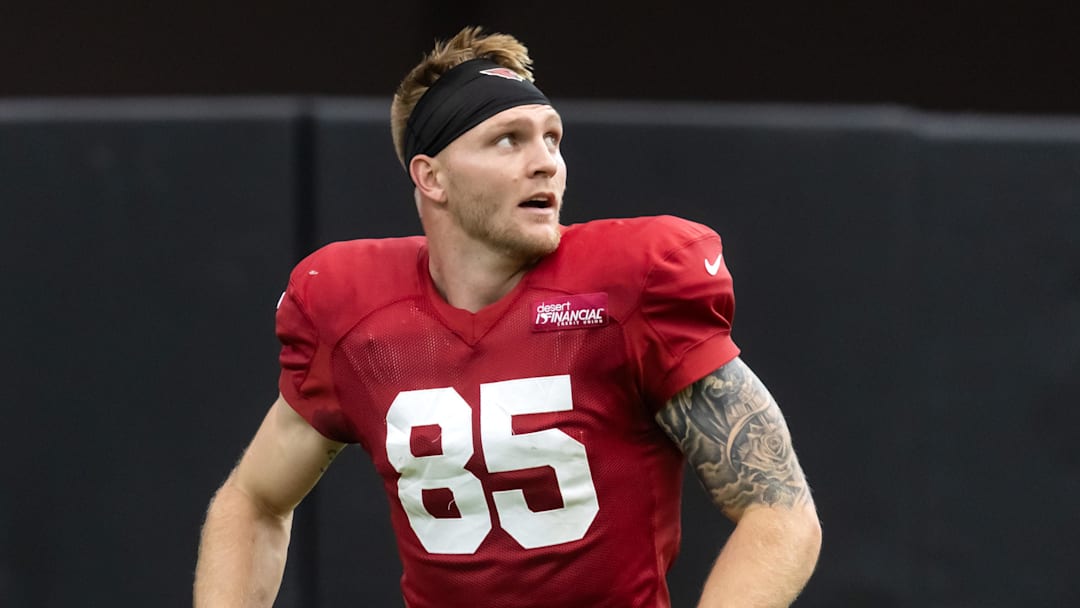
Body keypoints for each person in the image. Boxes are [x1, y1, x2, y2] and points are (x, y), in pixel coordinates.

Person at [194, 25, 821, 608]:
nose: (547, 160)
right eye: (508, 140)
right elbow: (253, 500)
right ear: (431, 177)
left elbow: (779, 507)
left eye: (552, 136)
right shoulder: (354, 314)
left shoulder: (629, 288)